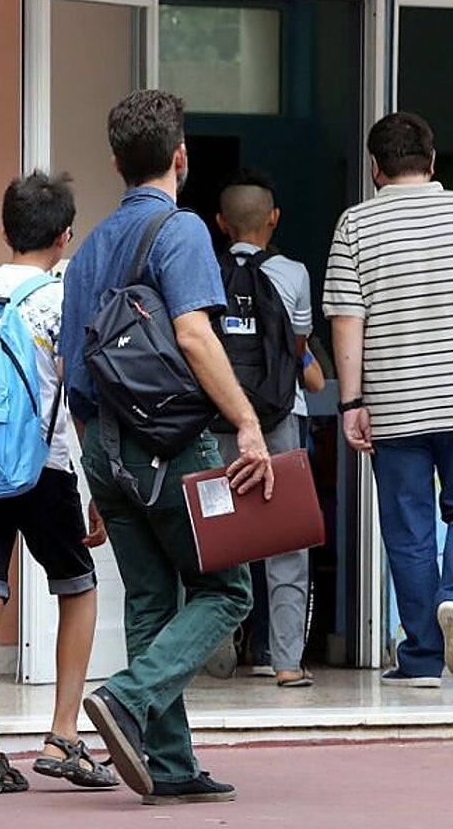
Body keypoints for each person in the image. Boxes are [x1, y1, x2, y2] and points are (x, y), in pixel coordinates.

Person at [60, 89, 272, 805]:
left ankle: (172, 766)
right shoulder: (179, 232)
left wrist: (98, 471)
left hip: (108, 451)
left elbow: (76, 372)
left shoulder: (87, 251)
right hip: (174, 449)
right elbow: (192, 335)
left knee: (151, 601)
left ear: (117, 162)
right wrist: (245, 422)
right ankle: (126, 698)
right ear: (180, 157)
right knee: (227, 589)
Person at [0, 172, 116, 795]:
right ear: (65, 234)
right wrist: (96, 480)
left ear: (4, 230)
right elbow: (77, 394)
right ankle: (62, 734)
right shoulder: (62, 298)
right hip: (44, 466)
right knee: (77, 586)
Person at [323, 111, 453, 688]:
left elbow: (348, 318)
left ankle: (424, 656)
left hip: (396, 405)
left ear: (375, 169)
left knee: (408, 532)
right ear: (432, 162)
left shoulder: (356, 225)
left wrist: (351, 403)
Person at [211, 169, 316, 689]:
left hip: (218, 419)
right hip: (279, 418)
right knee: (286, 539)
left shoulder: (203, 271)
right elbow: (298, 350)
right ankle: (287, 661)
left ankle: (218, 653)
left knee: (219, 536)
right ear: (273, 219)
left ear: (220, 223)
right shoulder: (292, 272)